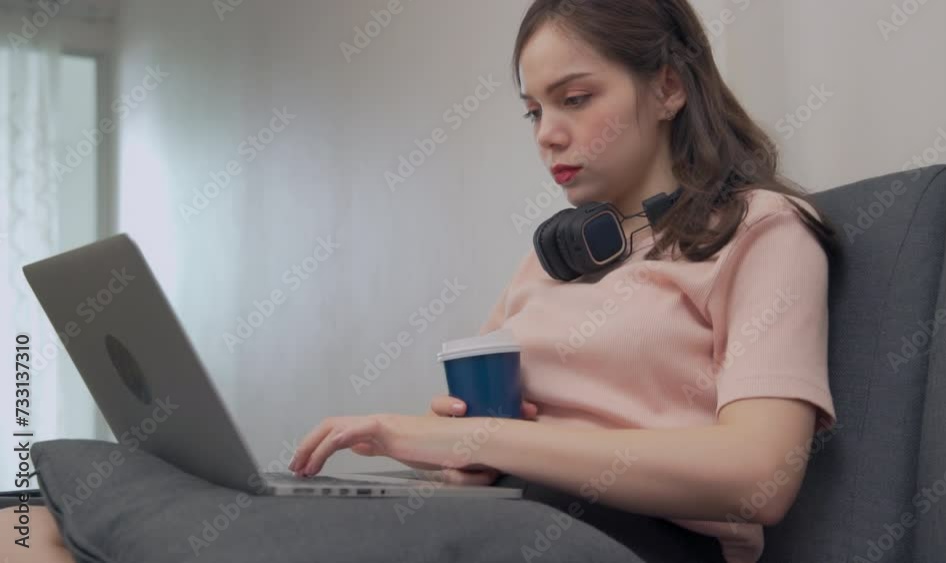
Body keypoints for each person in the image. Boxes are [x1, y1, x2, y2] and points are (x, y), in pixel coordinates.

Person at [0, 1, 840, 562]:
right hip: (507, 517)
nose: (548, 134)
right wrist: (460, 453)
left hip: (635, 542)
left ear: (668, 85)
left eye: (576, 98)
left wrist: (472, 443)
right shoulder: (558, 256)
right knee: (29, 513)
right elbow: (488, 442)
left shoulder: (761, 228)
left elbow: (759, 474)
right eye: (534, 110)